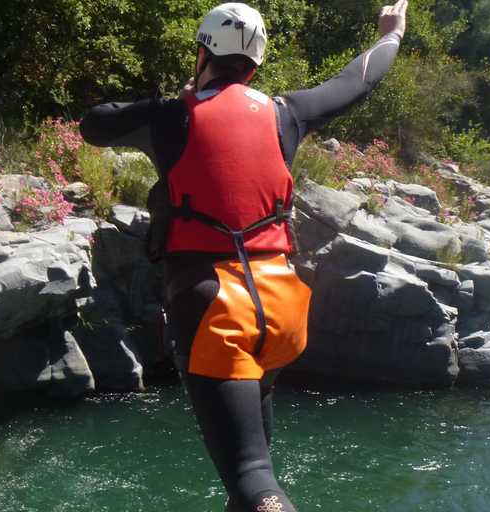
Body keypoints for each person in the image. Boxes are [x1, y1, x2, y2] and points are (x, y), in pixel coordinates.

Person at [80, 2, 408, 510]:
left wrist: (172, 101)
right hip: (282, 310)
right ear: (253, 65)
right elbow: (356, 80)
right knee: (251, 475)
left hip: (215, 309)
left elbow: (94, 125)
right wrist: (392, 35)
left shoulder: (172, 116)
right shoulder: (286, 113)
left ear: (202, 54)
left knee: (253, 480)